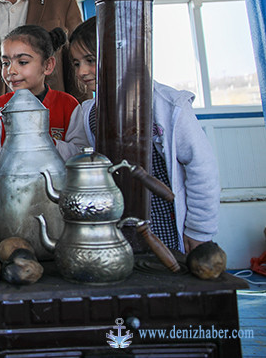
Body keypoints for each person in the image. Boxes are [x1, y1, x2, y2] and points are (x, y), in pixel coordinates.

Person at [61, 17, 220, 253]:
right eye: (76, 64)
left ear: (121, 55)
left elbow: (202, 168)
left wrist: (199, 230)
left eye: (91, 61)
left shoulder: (168, 106)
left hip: (166, 225)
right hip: (118, 229)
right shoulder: (89, 112)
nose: (82, 71)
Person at [0, 25, 79, 180]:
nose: (11, 71)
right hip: (12, 198)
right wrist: (15, 147)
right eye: (6, 63)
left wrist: (43, 143)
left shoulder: (68, 105)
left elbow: (82, 156)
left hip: (58, 198)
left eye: (22, 62)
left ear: (47, 65)